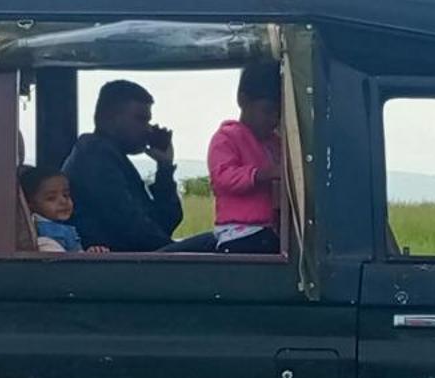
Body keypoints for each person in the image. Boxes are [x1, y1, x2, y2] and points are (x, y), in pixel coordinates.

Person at [61, 79, 202, 253]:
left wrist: (164, 168)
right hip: (112, 263)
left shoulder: (113, 157)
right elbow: (131, 227)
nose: (148, 130)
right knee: (213, 242)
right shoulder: (95, 154)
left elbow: (166, 221)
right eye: (140, 120)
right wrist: (174, 250)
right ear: (109, 118)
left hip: (130, 259)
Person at [207, 60, 284, 255]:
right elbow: (223, 177)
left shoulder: (275, 142)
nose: (273, 120)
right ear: (243, 101)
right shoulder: (226, 137)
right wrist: (262, 174)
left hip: (268, 229)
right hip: (238, 234)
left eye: (279, 114)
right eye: (267, 111)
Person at [20, 166, 97, 253]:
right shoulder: (38, 232)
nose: (63, 201)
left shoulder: (65, 227)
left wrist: (91, 252)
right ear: (30, 205)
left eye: (66, 195)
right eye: (51, 198)